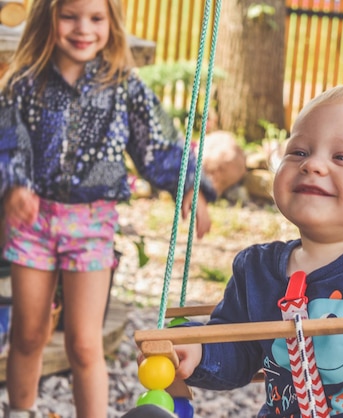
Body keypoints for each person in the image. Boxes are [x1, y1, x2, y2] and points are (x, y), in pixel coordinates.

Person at [125, 84, 343, 418]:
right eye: (299, 152)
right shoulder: (257, 269)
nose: (313, 165)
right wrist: (199, 352)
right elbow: (238, 349)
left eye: (342, 156)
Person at [0, 0, 216, 416]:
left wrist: (190, 185)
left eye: (96, 18)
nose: (83, 28)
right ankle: (21, 411)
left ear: (111, 24)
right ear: (49, 17)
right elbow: (9, 142)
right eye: (70, 15)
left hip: (91, 223)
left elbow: (159, 145)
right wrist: (15, 187)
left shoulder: (124, 87)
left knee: (83, 341)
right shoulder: (24, 85)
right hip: (34, 220)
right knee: (29, 333)